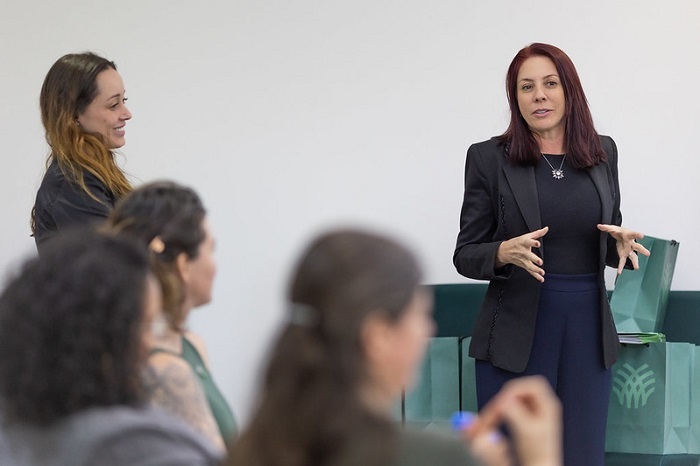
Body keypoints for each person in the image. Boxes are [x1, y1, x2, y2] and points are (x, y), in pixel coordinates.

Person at [453, 43, 650, 466]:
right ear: (516, 98)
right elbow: (466, 253)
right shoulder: (489, 158)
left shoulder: (602, 152)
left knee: (582, 456)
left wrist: (618, 249)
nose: (539, 95)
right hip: (517, 331)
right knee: (518, 457)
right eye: (527, 87)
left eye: (549, 84)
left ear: (569, 91)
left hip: (588, 332)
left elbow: (605, 230)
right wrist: (503, 251)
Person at [229, 229, 562, 466]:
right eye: (418, 314)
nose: (427, 329)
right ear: (378, 336)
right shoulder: (434, 456)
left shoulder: (246, 449)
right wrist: (540, 458)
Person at [0, 230, 222, 465]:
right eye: (144, 326)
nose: (150, 343)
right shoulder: (140, 447)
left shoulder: (13, 431)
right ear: (95, 334)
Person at [105, 181, 237, 448]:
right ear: (183, 265)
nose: (215, 264)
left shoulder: (189, 344)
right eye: (211, 249)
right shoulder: (162, 368)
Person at [31, 52, 133, 254]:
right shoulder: (73, 184)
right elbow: (118, 266)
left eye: (124, 100)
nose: (127, 113)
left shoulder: (89, 175)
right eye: (114, 105)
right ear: (73, 114)